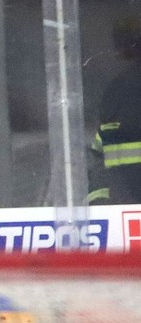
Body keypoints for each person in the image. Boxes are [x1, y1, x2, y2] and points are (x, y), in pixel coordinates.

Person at [88, 17, 141, 204]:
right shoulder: (116, 93)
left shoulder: (115, 93)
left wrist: (100, 207)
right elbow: (98, 159)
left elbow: (97, 159)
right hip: (124, 217)